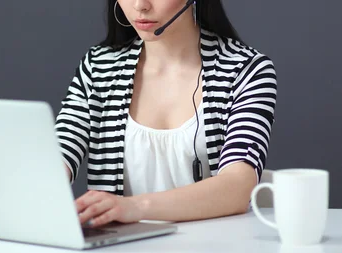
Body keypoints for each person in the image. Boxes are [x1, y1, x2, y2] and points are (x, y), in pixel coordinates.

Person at [54, 0, 277, 228]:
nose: (140, 5)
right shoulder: (97, 67)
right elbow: (56, 157)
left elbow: (238, 187)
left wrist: (134, 207)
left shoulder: (247, 71)